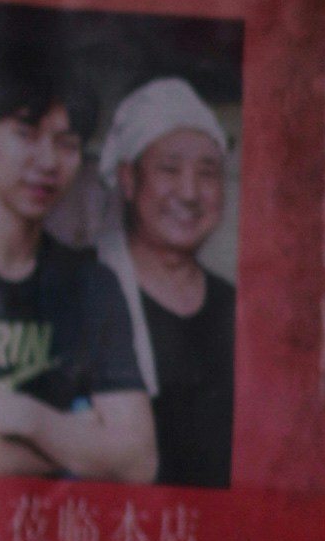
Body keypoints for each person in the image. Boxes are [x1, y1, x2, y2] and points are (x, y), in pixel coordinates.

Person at [0, 38, 153, 482]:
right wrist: (80, 442)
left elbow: (139, 460)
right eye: (26, 134)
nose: (47, 161)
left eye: (68, 143)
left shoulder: (92, 283)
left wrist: (24, 418)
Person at [101, 78, 236, 493]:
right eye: (170, 169)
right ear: (128, 180)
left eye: (207, 173)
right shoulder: (88, 294)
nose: (190, 192)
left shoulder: (237, 307)